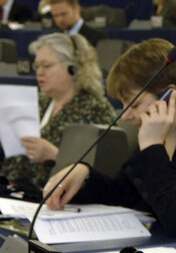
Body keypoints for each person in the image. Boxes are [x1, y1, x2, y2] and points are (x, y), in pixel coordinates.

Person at [44, 38, 176, 252]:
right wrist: (84, 174)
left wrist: (152, 146)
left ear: (169, 96)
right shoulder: (153, 132)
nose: (126, 115)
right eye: (123, 105)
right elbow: (125, 195)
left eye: (135, 104)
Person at [0, 33, 114, 189]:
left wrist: (55, 155)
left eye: (46, 66)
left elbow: (103, 171)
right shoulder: (37, 102)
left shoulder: (96, 108)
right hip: (18, 192)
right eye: (37, 66)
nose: (39, 72)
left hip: (60, 199)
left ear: (74, 67)